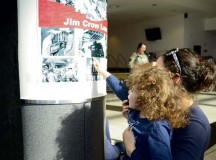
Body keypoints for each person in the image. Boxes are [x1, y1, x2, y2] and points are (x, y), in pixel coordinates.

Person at [93, 48, 216, 160]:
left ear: (175, 78)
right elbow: (131, 95)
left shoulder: (195, 127)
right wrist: (138, 121)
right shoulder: (162, 101)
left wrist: (131, 150)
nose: (151, 74)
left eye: (156, 70)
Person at [123, 65, 190, 160]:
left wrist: (132, 151)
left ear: (145, 98)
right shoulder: (137, 114)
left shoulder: (157, 128)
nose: (128, 92)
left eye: (132, 90)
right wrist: (130, 117)